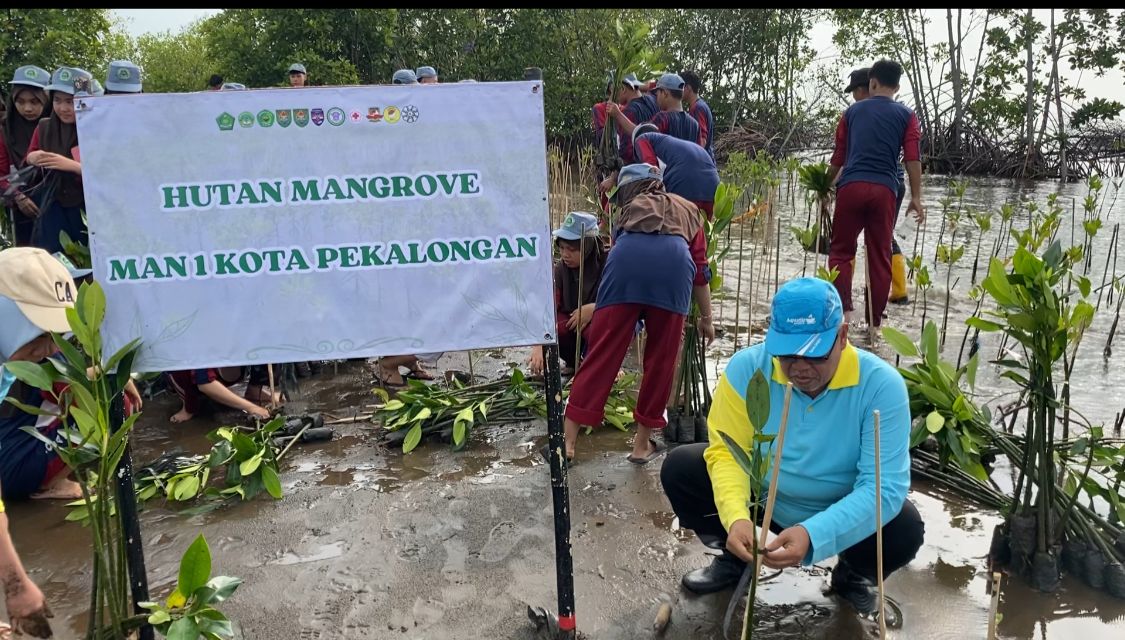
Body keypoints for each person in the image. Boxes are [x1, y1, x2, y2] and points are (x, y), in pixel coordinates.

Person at [660, 277, 924, 615]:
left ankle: (853, 575)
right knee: (682, 467)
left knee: (904, 525)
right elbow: (728, 452)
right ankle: (735, 558)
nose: (799, 368)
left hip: (838, 505)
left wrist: (814, 534)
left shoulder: (881, 387)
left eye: (814, 354)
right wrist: (736, 518)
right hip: (765, 496)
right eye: (786, 354)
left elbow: (883, 487)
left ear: (842, 336)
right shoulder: (748, 370)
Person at [559, 164, 714, 465]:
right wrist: (707, 319)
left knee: (601, 353)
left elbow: (622, 250)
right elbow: (700, 271)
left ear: (630, 189)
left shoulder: (626, 211)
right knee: (661, 360)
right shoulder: (689, 210)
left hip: (626, 264)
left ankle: (567, 443)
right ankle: (641, 446)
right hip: (674, 268)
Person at [826, 59, 924, 340]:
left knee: (842, 252)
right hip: (885, 191)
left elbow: (838, 157)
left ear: (872, 82)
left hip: (851, 187)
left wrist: (825, 185)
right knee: (879, 255)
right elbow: (913, 158)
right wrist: (916, 197)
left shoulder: (851, 113)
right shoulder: (907, 116)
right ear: (897, 86)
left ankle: (843, 315)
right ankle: (874, 324)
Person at [839, 68, 910, 305]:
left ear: (868, 88)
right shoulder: (890, 112)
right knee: (881, 240)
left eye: (855, 91)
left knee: (856, 243)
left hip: (876, 184)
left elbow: (845, 157)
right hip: (891, 184)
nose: (854, 97)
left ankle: (890, 292)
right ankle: (894, 292)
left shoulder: (858, 114)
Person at [24, 67, 99, 255]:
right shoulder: (44, 127)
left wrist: (74, 167)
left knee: (88, 259)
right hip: (52, 207)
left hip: (86, 209)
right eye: (57, 100)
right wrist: (33, 158)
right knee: (54, 258)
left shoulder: (96, 130)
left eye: (70, 101)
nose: (63, 108)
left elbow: (107, 174)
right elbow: (30, 155)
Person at [528, 212, 606, 377]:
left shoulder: (608, 265)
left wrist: (594, 308)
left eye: (571, 249)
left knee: (597, 328)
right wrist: (538, 344)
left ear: (588, 247)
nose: (564, 254)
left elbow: (623, 303)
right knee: (557, 327)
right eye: (562, 248)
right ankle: (575, 364)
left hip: (603, 318)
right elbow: (547, 308)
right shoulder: (560, 270)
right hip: (574, 320)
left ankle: (607, 365)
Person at [1, 65, 51, 246]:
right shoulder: (6, 130)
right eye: (20, 102)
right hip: (21, 208)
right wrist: (18, 197)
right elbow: (1, 172)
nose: (27, 108)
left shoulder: (57, 126)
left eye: (34, 102)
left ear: (46, 100)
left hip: (60, 203)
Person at [632, 124, 719, 219]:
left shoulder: (641, 139)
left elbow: (652, 171)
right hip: (713, 187)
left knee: (675, 227)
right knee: (703, 231)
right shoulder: (673, 145)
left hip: (685, 183)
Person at [609, 73, 700, 151]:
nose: (656, 96)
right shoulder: (694, 124)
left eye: (658, 92)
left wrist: (618, 114)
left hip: (666, 170)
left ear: (665, 93)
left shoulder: (663, 118)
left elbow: (642, 134)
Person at [165, 365, 279, 424]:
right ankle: (188, 407)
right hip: (190, 374)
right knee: (187, 375)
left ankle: (255, 390)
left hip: (226, 370)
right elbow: (205, 384)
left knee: (267, 344)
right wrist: (251, 407)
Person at [608, 73, 657, 164]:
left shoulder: (627, 112)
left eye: (612, 92)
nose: (611, 98)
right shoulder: (654, 100)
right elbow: (656, 84)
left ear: (623, 89)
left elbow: (627, 153)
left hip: (641, 167)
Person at [681, 70, 714, 160]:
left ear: (688, 88)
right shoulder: (701, 105)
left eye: (681, 87)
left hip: (702, 161)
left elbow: (702, 141)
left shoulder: (697, 108)